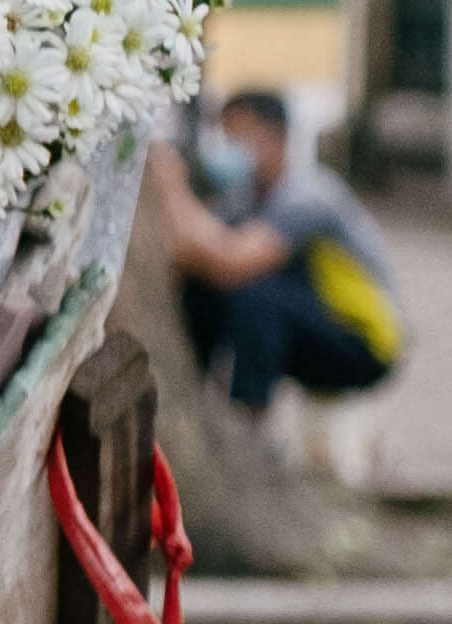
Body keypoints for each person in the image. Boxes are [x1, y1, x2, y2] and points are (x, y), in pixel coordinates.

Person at [156, 88, 410, 414]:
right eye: (225, 135)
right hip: (312, 321)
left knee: (256, 297)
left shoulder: (309, 196)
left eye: (240, 136)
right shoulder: (244, 197)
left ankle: (248, 426)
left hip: (366, 343)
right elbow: (191, 254)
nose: (230, 146)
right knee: (201, 288)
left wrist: (172, 187)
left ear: (278, 137)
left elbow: (228, 261)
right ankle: (194, 402)